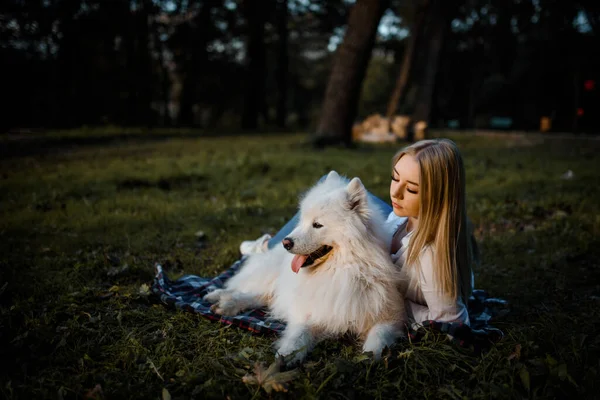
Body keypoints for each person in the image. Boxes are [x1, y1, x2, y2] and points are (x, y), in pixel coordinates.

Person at [240, 138, 474, 326]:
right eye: (395, 178)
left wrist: (398, 305)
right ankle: (270, 246)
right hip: (402, 218)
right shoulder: (405, 213)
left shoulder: (431, 258)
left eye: (411, 189)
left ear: (438, 197)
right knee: (330, 186)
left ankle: (268, 247)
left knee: (334, 208)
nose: (396, 193)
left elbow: (453, 321)